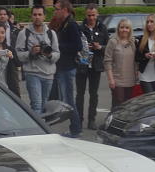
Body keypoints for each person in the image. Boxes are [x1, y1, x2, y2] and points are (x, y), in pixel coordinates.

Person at [15, 5, 59, 113]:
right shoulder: (24, 33)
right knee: (37, 105)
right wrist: (31, 53)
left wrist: (49, 55)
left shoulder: (51, 33)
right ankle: (38, 129)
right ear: (31, 16)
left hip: (48, 74)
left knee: (44, 105)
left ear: (44, 16)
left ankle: (41, 126)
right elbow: (18, 54)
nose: (37, 17)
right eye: (35, 14)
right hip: (32, 73)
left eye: (40, 14)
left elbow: (57, 53)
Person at [51, 0, 82, 137]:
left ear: (65, 10)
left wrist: (58, 47)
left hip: (68, 68)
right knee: (67, 99)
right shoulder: (64, 24)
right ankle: (75, 128)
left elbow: (78, 46)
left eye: (57, 9)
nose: (55, 11)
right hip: (63, 67)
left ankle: (75, 129)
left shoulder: (72, 25)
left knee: (69, 100)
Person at [75, 3, 108, 130]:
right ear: (85, 15)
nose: (91, 18)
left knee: (94, 94)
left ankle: (91, 120)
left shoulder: (102, 28)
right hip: (82, 65)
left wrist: (100, 47)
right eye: (89, 15)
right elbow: (74, 45)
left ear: (97, 14)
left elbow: (108, 45)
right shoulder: (79, 28)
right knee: (80, 94)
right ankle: (79, 119)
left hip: (96, 65)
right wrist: (83, 47)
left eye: (93, 15)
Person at [103, 18, 138, 109]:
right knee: (118, 104)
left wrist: (137, 78)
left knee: (127, 105)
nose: (124, 30)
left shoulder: (133, 43)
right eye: (122, 27)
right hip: (117, 80)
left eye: (127, 28)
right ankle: (113, 122)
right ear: (118, 29)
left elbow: (135, 62)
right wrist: (111, 79)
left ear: (130, 30)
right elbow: (107, 62)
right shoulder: (113, 42)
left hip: (130, 80)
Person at [0, 8, 21, 95]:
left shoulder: (13, 28)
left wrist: (12, 54)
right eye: (0, 14)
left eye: (4, 14)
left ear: (8, 16)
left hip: (9, 57)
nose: (2, 16)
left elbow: (18, 61)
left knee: (12, 85)